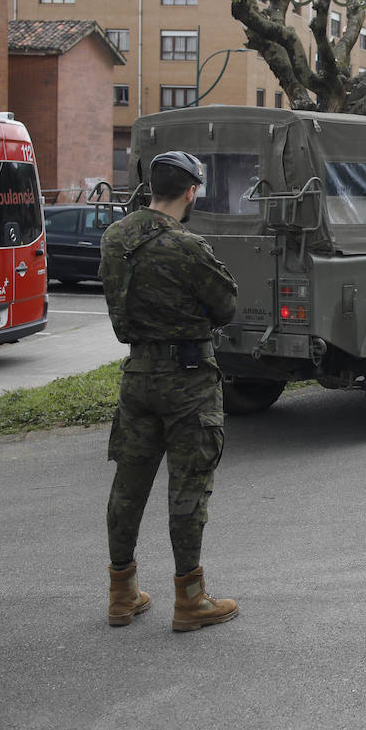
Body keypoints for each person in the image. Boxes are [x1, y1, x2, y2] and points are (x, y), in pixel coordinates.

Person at [99, 151, 240, 632]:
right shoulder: (189, 246)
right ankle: (191, 600)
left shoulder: (114, 239)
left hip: (137, 375)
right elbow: (226, 307)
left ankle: (122, 593)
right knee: (188, 490)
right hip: (189, 380)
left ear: (150, 187)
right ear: (191, 191)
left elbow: (119, 315)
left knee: (127, 487)